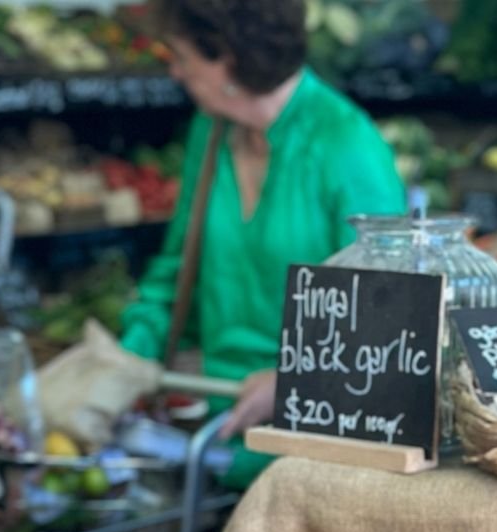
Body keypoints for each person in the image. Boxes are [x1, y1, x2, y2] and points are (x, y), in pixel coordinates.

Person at [122, 0, 406, 486]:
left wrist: (289, 383)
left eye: (182, 57)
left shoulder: (346, 146)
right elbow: (176, 272)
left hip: (310, 444)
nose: (174, 72)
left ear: (227, 60)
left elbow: (393, 316)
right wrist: (125, 360)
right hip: (213, 427)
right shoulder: (210, 133)